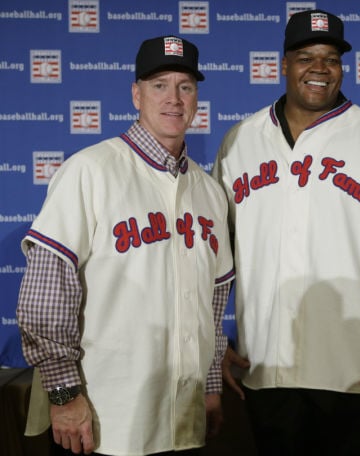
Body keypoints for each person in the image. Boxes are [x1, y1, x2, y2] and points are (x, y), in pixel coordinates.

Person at [212, 9, 360, 455]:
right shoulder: (240, 141)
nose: (319, 68)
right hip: (268, 374)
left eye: (331, 58)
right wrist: (211, 343)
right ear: (283, 64)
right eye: (305, 56)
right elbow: (214, 258)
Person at [16, 35, 234, 456]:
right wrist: (63, 396)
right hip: (102, 419)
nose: (174, 98)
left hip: (183, 415)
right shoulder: (90, 170)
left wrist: (209, 388)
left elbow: (214, 303)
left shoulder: (210, 192)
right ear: (136, 94)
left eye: (185, 86)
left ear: (196, 98)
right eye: (159, 85)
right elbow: (46, 296)